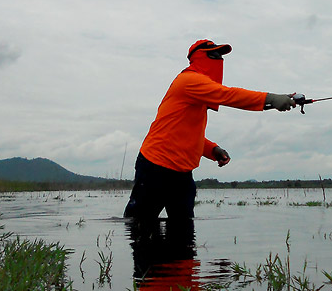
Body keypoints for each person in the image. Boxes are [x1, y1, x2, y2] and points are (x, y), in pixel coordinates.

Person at [123, 39, 295, 231]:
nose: (219, 59)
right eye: (214, 55)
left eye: (221, 55)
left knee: (183, 229)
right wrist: (271, 99)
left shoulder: (198, 93)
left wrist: (212, 150)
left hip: (181, 173)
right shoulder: (189, 81)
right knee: (139, 226)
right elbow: (228, 95)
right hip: (156, 167)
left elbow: (185, 134)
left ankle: (180, 262)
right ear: (199, 57)